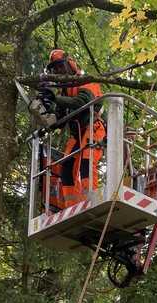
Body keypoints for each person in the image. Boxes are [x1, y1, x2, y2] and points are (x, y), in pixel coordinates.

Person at [39, 49, 105, 209]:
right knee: (67, 168)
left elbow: (81, 102)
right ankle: (71, 206)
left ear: (70, 64)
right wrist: (46, 111)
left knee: (87, 164)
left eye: (60, 66)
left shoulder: (86, 80)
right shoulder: (64, 91)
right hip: (77, 134)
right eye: (55, 69)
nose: (58, 71)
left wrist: (56, 98)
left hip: (93, 128)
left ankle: (93, 202)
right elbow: (60, 120)